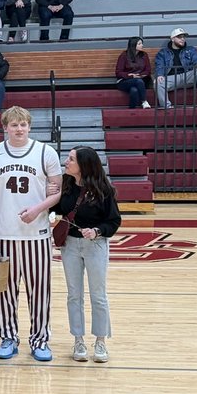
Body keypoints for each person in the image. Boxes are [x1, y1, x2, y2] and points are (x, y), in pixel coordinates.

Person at [0, 106, 63, 362]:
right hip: (3, 235)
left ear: (29, 126)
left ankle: (40, 340)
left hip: (37, 235)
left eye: (23, 124)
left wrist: (38, 209)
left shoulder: (45, 152)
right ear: (5, 127)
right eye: (14, 125)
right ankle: (8, 337)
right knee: (2, 290)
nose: (19, 129)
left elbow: (59, 191)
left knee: (40, 291)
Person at [57, 146, 120, 363]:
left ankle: (101, 340)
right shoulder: (65, 185)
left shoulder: (104, 190)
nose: (66, 162)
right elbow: (56, 210)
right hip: (70, 245)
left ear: (83, 165)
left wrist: (97, 231)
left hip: (96, 245)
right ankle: (78, 339)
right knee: (74, 295)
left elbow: (113, 221)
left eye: (71, 159)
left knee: (98, 295)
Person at [154, 28, 197, 109]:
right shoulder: (163, 52)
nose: (182, 39)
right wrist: (159, 75)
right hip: (172, 78)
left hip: (187, 76)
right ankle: (166, 106)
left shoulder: (191, 49)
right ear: (172, 39)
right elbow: (159, 65)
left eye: (183, 37)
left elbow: (196, 58)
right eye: (179, 37)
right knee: (158, 82)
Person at [115, 37, 153, 109]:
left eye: (142, 43)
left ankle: (132, 110)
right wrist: (130, 75)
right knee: (138, 81)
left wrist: (140, 75)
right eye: (139, 44)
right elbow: (118, 73)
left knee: (134, 90)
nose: (142, 45)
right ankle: (144, 101)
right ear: (133, 45)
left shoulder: (144, 55)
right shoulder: (124, 56)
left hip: (141, 79)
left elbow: (148, 70)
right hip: (125, 81)